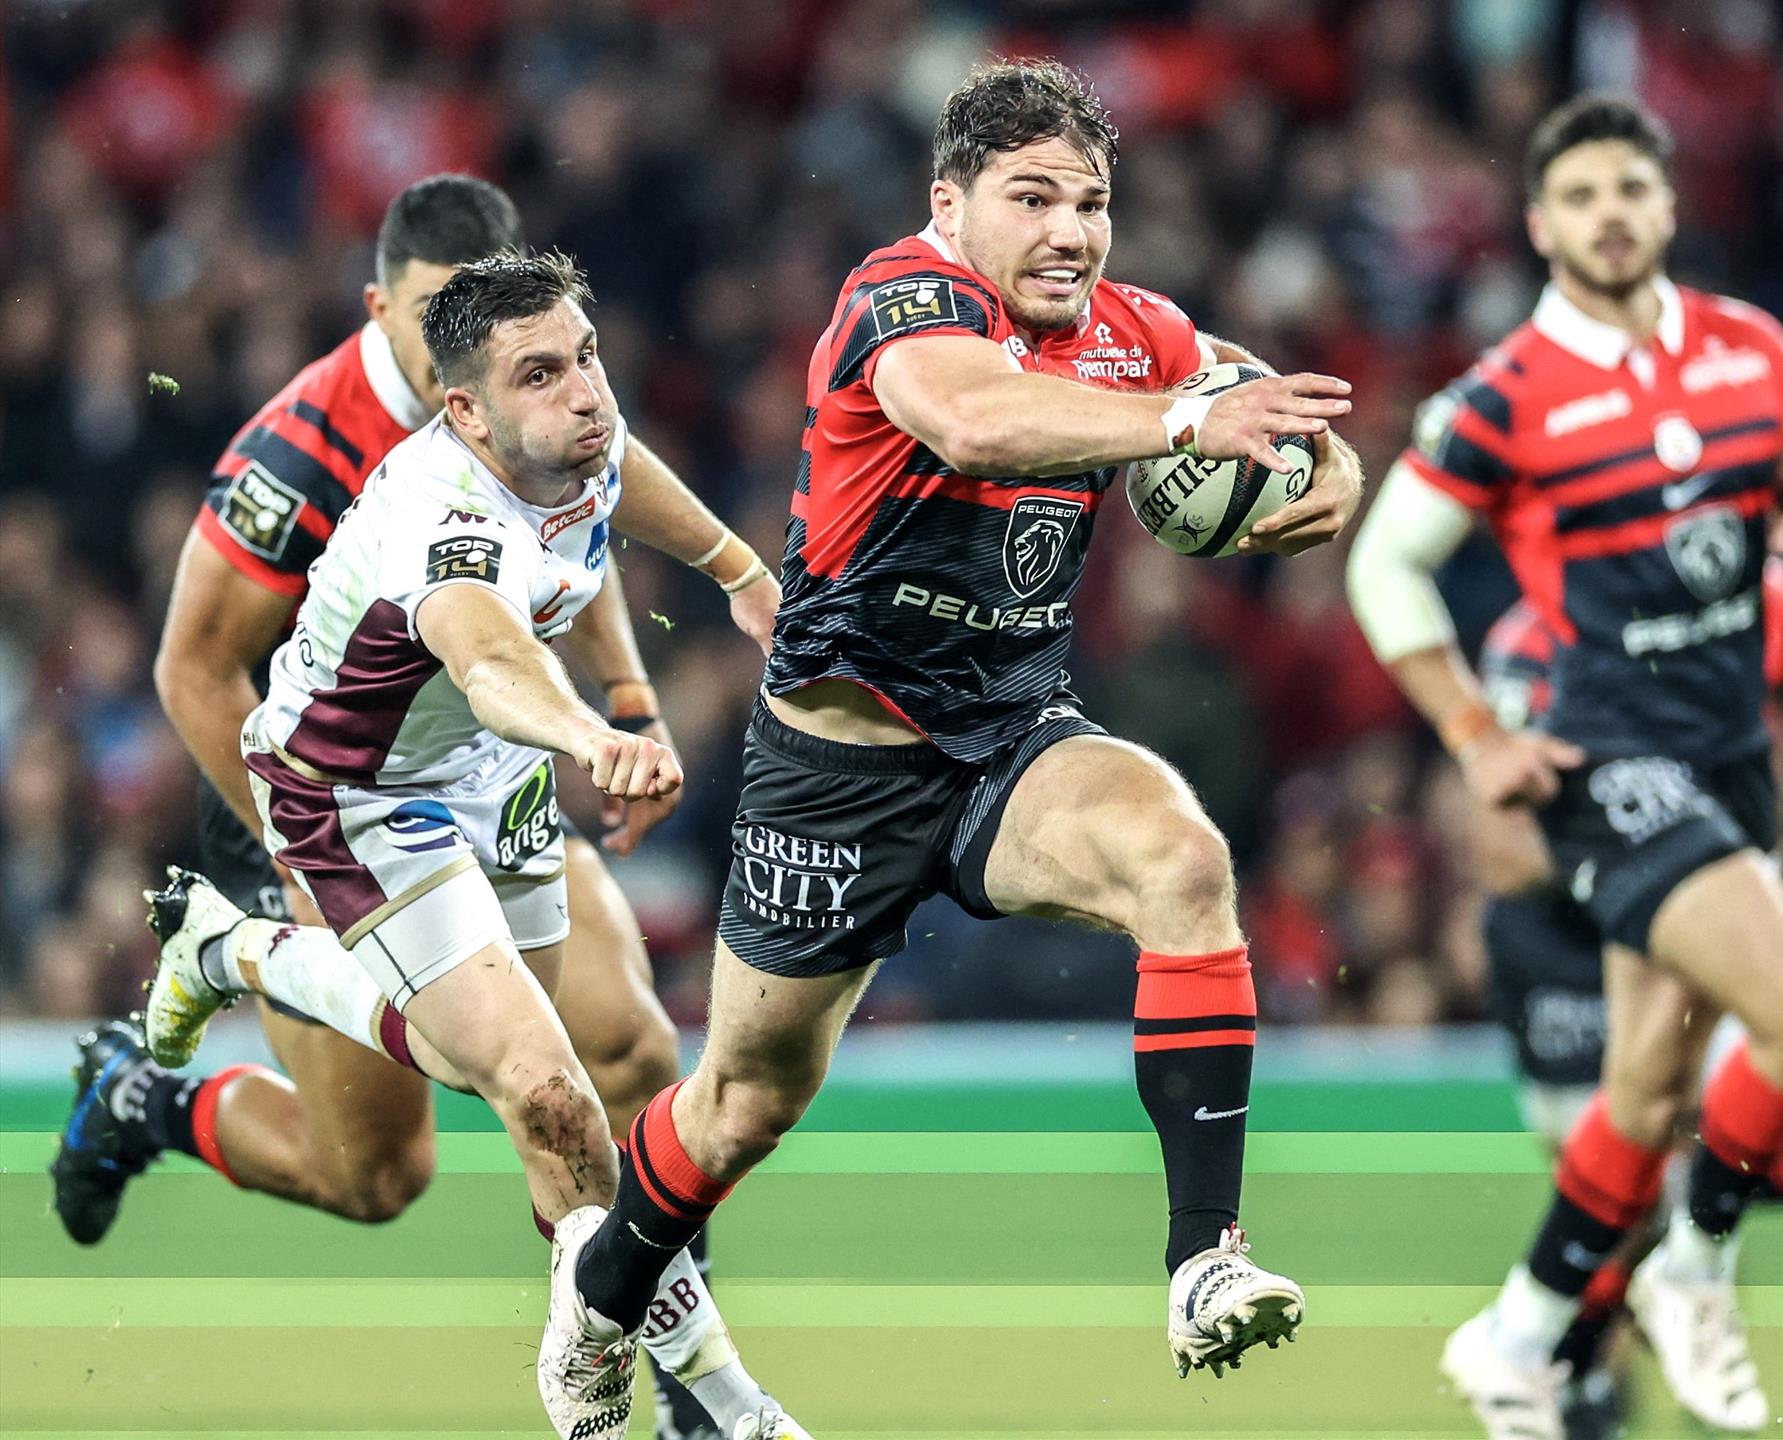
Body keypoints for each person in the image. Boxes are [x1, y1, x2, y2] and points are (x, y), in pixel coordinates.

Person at [560, 58, 1365, 1384]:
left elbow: (1280, 410)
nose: (1068, 230)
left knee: (1182, 859)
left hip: (1009, 740)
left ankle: (1202, 1258)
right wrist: (1177, 418)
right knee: (745, 1104)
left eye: (1091, 203)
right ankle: (599, 1299)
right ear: (954, 203)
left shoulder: (1134, 328)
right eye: (1032, 197)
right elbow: (974, 422)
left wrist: (1323, 471)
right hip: (839, 763)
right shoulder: (900, 298)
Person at [48, 174, 778, 1440]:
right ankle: (178, 1058)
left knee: (622, 1059)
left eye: (579, 360)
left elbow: (585, 512)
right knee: (382, 1171)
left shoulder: (548, 408)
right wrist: (303, 867)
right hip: (329, 783)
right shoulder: (312, 450)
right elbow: (198, 669)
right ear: (394, 321)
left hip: (494, 764)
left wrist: (660, 651)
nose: (577, 391)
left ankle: (676, 1395)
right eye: (525, 365)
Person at [1345, 94, 1783, 1439]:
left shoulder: (1753, 352)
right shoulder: (1505, 393)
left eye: (1629, 190)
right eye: (1580, 195)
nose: (1608, 214)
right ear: (1541, 226)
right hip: (1605, 765)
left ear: (1666, 207)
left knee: (1652, 1091)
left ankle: (1523, 1339)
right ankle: (1694, 1270)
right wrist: (1477, 735)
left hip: (1724, 763)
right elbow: (1384, 562)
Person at [1467, 596, 1783, 1440]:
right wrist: (1660, 852)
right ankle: (1587, 1355)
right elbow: (1503, 846)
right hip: (1565, 974)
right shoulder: (1526, 645)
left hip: (1689, 948)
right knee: (1629, 1180)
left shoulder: (1710, 623)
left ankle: (1633, 1281)